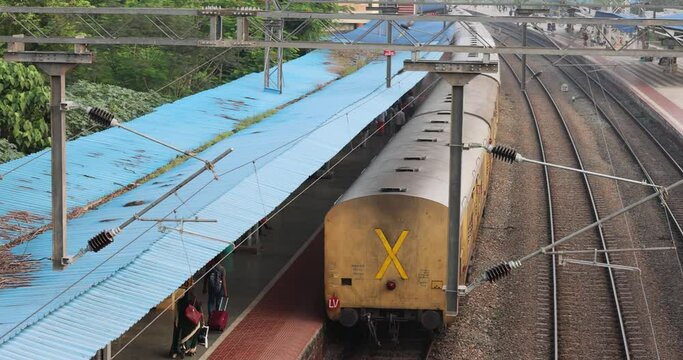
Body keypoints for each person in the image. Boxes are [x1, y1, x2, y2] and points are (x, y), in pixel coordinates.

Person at [170, 289, 203, 358]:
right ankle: (191, 349)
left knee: (180, 336)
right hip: (193, 323)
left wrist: (176, 322)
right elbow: (200, 311)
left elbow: (177, 313)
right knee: (194, 335)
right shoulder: (194, 300)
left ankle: (179, 349)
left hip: (182, 324)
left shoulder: (180, 301)